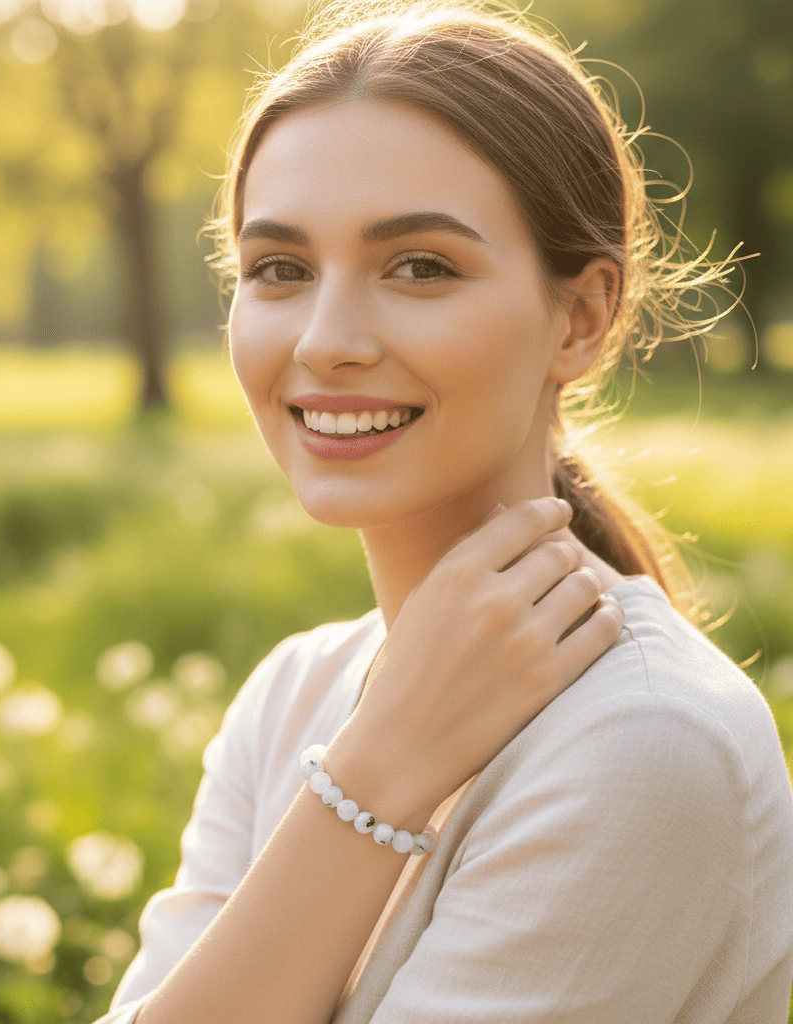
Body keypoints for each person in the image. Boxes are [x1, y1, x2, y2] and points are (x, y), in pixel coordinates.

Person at [97, 2, 793, 1021]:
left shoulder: (643, 740)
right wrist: (378, 767)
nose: (326, 340)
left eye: (419, 266)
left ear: (581, 317)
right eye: (278, 269)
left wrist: (367, 791)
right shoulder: (293, 692)